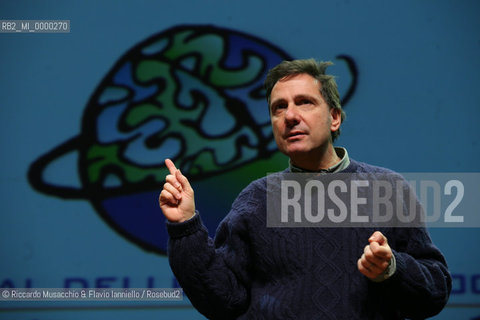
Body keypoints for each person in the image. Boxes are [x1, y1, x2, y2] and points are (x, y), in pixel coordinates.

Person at [159, 59, 451, 319]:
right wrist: (185, 225)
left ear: (334, 117)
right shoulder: (257, 199)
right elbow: (222, 302)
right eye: (279, 107)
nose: (290, 116)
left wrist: (392, 269)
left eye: (305, 102)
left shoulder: (387, 188)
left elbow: (434, 293)